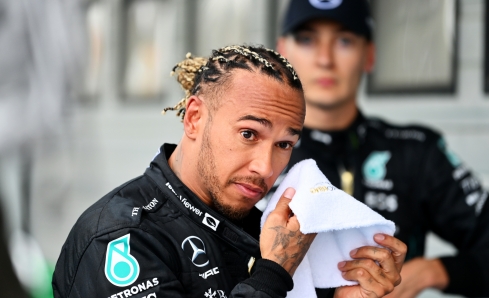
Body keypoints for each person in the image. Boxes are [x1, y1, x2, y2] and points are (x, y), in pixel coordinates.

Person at [52, 45, 407, 298]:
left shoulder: (265, 228)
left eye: (284, 144)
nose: (265, 168)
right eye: (249, 134)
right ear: (194, 118)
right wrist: (273, 275)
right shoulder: (119, 239)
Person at [271, 0, 489, 297]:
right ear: (283, 53)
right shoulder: (253, 153)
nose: (325, 59)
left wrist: (428, 272)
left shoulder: (416, 152)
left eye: (344, 40)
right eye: (306, 39)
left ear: (369, 55)